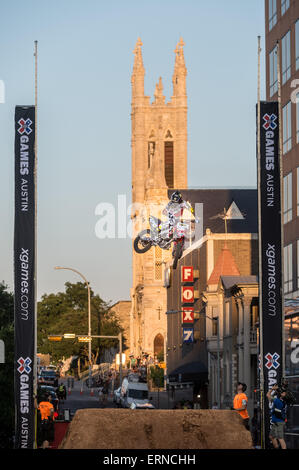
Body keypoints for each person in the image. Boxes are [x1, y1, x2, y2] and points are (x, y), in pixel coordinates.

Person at [266, 385, 287, 449]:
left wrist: (272, 389)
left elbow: (268, 395)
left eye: (284, 392)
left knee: (280, 439)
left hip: (279, 422)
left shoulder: (278, 401)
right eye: (282, 392)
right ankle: (276, 447)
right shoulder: (280, 400)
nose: (283, 393)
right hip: (276, 422)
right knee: (271, 436)